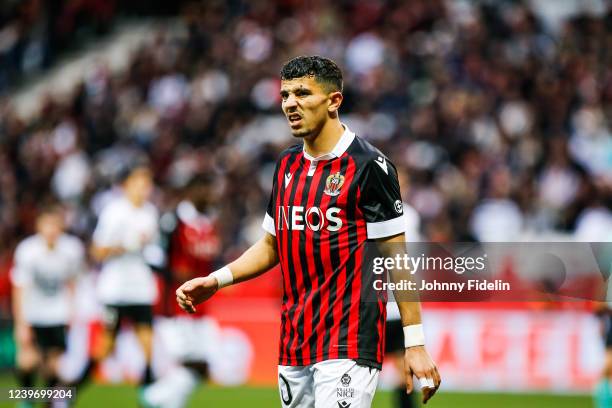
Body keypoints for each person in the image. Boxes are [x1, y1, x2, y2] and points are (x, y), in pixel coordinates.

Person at [176, 55, 440, 407]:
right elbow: (272, 244)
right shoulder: (286, 164)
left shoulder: (369, 167)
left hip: (349, 342)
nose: (290, 104)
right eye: (285, 95)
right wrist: (218, 279)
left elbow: (397, 260)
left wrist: (415, 343)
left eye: (302, 93)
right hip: (295, 340)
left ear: (334, 101)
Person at [141, 175, 222, 408]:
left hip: (202, 307)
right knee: (193, 364)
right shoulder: (173, 221)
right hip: (176, 306)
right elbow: (153, 257)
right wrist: (174, 274)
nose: (210, 196)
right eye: (205, 191)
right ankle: (151, 397)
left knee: (203, 366)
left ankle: (155, 398)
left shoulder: (208, 222)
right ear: (193, 192)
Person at [85, 164, 159, 388]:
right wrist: (124, 246)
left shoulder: (150, 213)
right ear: (126, 185)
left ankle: (149, 396)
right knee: (105, 346)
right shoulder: (114, 212)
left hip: (141, 289)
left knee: (147, 345)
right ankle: (67, 391)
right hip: (116, 289)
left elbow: (153, 250)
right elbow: (97, 251)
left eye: (147, 184)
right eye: (139, 183)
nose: (144, 189)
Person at [11, 205, 86, 408]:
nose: (52, 230)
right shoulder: (27, 250)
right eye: (47, 225)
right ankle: (27, 399)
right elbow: (20, 287)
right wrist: (20, 323)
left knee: (53, 366)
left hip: (57, 314)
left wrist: (72, 312)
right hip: (33, 312)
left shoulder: (72, 249)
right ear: (39, 227)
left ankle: (49, 402)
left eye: (55, 225)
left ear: (61, 227)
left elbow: (72, 282)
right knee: (27, 361)